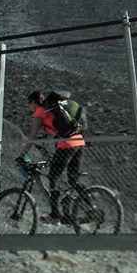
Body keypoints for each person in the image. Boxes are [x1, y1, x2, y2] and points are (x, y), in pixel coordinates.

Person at [24, 88, 85, 222]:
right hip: (79, 142)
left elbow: (32, 136)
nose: (30, 108)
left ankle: (55, 214)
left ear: (33, 103)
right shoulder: (53, 109)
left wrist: (23, 154)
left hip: (66, 145)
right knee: (74, 180)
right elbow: (53, 132)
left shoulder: (41, 111)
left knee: (53, 177)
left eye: (29, 104)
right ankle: (92, 207)